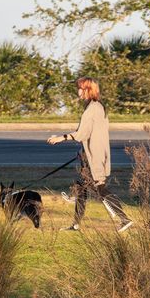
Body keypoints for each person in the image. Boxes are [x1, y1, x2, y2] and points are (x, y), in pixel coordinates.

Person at [47, 77, 133, 232]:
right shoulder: (97, 106)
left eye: (80, 88)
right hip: (91, 154)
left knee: (100, 188)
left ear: (87, 89)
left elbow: (81, 133)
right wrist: (82, 152)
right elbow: (89, 134)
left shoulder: (92, 108)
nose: (78, 91)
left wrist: (62, 137)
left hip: (94, 155)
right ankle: (76, 224)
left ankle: (124, 219)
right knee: (81, 188)